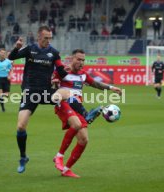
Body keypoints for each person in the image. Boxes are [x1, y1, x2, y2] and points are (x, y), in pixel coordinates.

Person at [8, 26, 69, 173]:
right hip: (30, 92)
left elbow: (61, 71)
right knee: (21, 126)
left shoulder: (54, 53)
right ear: (39, 37)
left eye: (50, 38)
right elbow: (11, 57)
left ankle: (81, 117)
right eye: (46, 38)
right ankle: (23, 157)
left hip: (46, 91)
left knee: (67, 93)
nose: (48, 40)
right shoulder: (30, 49)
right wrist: (16, 48)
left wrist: (67, 71)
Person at [53, 49, 122, 178]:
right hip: (63, 103)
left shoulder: (83, 75)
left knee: (84, 140)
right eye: (78, 59)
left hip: (77, 107)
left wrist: (112, 88)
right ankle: (59, 156)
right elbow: (52, 85)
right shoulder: (63, 71)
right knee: (77, 124)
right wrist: (55, 82)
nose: (81, 62)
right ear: (71, 59)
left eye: (83, 60)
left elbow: (95, 83)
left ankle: (66, 169)